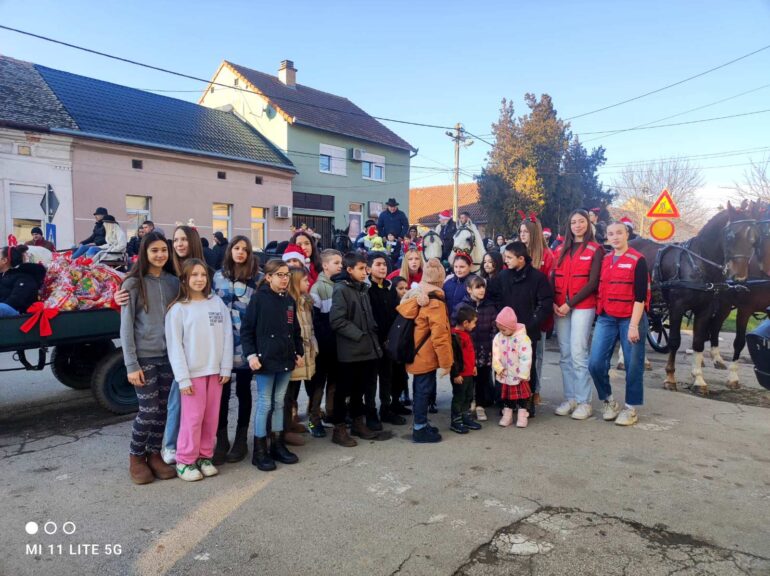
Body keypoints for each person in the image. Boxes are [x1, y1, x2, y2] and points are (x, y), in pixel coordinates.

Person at [165, 259, 233, 481]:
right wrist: (183, 378)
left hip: (215, 372)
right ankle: (185, 460)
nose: (199, 279)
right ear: (184, 279)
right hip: (192, 374)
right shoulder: (178, 309)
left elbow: (227, 336)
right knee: (192, 419)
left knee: (211, 418)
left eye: (203, 275)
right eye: (194, 275)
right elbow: (175, 346)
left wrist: (226, 366)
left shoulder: (217, 304)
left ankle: (205, 456)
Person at [120, 231, 179, 484]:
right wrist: (131, 364)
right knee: (148, 410)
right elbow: (126, 327)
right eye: (154, 250)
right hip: (144, 358)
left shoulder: (173, 282)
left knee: (163, 409)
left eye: (163, 250)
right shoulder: (132, 283)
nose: (160, 255)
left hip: (169, 356)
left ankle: (155, 454)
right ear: (144, 253)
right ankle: (136, 457)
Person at [241, 259, 305, 471]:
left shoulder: (289, 300)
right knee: (264, 403)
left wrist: (299, 351)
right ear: (268, 277)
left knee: (279, 402)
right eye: (280, 274)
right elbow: (247, 330)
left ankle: (277, 444)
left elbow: (294, 329)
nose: (285, 278)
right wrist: (251, 355)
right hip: (264, 361)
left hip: (285, 359)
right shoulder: (259, 299)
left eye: (287, 274)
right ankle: (260, 450)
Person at [588, 221, 650, 427]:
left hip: (630, 318)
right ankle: (609, 401)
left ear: (627, 235)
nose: (615, 237)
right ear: (607, 237)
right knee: (595, 363)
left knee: (633, 365)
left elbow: (640, 296)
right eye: (611, 234)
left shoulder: (637, 260)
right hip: (606, 317)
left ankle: (631, 408)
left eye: (619, 233)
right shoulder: (605, 259)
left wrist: (633, 325)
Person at [211, 236, 263, 465]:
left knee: (244, 391)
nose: (240, 252)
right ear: (230, 250)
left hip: (246, 345)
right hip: (222, 344)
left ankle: (241, 439)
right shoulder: (217, 276)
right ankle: (220, 439)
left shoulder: (258, 278)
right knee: (221, 395)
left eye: (245, 249)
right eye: (236, 248)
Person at [487, 241, 553, 413]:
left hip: (526, 331)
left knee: (525, 367)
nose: (505, 261)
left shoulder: (537, 278)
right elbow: (493, 297)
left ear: (521, 258)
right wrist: (499, 320)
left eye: (509, 257)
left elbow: (545, 303)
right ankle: (504, 402)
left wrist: (531, 323)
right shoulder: (502, 276)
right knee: (502, 365)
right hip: (503, 331)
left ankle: (525, 403)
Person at [552, 209, 604, 420]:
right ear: (569, 226)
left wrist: (569, 304)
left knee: (578, 352)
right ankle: (570, 397)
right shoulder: (561, 249)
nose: (577, 225)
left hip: (582, 306)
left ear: (588, 224)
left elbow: (592, 283)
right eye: (573, 222)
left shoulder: (596, 249)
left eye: (581, 221)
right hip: (560, 307)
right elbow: (554, 276)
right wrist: (556, 303)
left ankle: (584, 402)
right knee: (565, 355)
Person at [329, 252, 384, 446]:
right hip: (350, 351)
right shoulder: (341, 289)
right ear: (349, 270)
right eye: (361, 269)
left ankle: (358, 423)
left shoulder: (362, 289)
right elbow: (337, 320)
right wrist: (359, 334)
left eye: (365, 268)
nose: (365, 272)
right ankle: (339, 428)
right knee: (343, 390)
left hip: (366, 349)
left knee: (359, 390)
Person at [396, 258, 453, 443]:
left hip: (416, 351)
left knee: (419, 388)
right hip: (425, 354)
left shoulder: (417, 293)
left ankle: (421, 424)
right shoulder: (434, 302)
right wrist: (446, 363)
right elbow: (440, 336)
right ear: (440, 280)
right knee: (423, 390)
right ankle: (420, 428)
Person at [163, 225, 206, 464]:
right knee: (177, 397)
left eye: (183, 239)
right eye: (175, 240)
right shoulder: (168, 268)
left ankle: (193, 445)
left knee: (196, 404)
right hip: (173, 339)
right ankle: (170, 446)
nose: (178, 244)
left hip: (198, 344)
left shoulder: (202, 268)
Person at [366, 252, 407, 429]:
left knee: (386, 377)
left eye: (384, 264)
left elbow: (392, 314)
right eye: (378, 264)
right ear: (369, 268)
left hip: (387, 341)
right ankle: (370, 412)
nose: (382, 267)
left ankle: (386, 408)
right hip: (372, 342)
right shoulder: (365, 289)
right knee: (370, 381)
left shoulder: (388, 288)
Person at [518, 216, 554, 406]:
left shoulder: (547, 256)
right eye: (521, 232)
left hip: (538, 312)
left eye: (526, 232)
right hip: (519, 310)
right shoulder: (517, 252)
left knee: (537, 353)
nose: (522, 235)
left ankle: (536, 389)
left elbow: (549, 286)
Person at [308, 249, 343, 437]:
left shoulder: (341, 284)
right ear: (325, 265)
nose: (340, 266)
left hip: (338, 344)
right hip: (324, 345)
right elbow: (315, 319)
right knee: (319, 384)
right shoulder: (318, 288)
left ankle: (331, 413)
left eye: (341, 263)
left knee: (334, 383)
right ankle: (314, 419)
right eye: (336, 263)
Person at [284, 267, 318, 446]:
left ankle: (290, 423)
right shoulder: (290, 304)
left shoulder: (305, 302)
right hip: (294, 355)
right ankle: (284, 428)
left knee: (293, 391)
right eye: (305, 280)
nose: (308, 283)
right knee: (287, 394)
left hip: (305, 353)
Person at [459, 275, 497, 422]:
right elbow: (458, 328)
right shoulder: (462, 306)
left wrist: (493, 344)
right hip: (468, 350)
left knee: (482, 378)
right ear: (469, 289)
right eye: (478, 287)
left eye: (483, 287)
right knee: (469, 379)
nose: (482, 290)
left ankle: (480, 405)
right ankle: (469, 404)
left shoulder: (490, 306)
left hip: (485, 349)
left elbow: (495, 327)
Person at [493, 307, 533, 428]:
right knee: (507, 396)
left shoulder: (522, 339)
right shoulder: (498, 337)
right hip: (505, 373)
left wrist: (523, 373)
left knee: (522, 396)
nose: (501, 332)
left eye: (503, 329)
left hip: (519, 374)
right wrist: (498, 368)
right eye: (499, 329)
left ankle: (522, 414)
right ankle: (508, 413)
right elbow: (495, 354)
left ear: (511, 327)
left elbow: (526, 357)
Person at [450, 305, 480, 434]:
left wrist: (473, 366)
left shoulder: (466, 335)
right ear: (465, 323)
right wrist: (455, 374)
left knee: (468, 396)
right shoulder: (455, 337)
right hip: (460, 374)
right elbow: (453, 358)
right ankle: (456, 421)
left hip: (468, 373)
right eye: (474, 323)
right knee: (459, 397)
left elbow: (469, 353)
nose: (475, 325)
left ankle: (465, 416)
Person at [388, 276, 412, 416]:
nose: (404, 291)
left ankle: (397, 403)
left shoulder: (408, 304)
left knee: (401, 376)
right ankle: (392, 404)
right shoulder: (392, 304)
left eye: (406, 288)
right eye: (400, 288)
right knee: (393, 377)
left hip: (403, 346)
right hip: (392, 346)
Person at [0, 245, 44, 317]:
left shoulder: (24, 277)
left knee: (2, 308)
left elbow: (15, 302)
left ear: (4, 260)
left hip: (19, 316)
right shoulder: (2, 276)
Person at [443, 253, 474, 322]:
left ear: (470, 266)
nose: (458, 270)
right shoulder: (448, 282)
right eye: (456, 267)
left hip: (466, 324)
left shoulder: (474, 283)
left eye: (462, 267)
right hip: (448, 322)